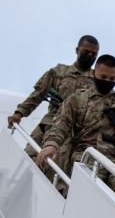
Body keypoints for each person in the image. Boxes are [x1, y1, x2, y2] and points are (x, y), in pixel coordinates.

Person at [37, 54, 115, 217]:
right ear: (94, 73)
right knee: (83, 200)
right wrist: (51, 145)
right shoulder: (77, 99)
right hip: (85, 156)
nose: (107, 81)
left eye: (112, 78)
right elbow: (61, 125)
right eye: (103, 77)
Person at [8, 35, 99, 176]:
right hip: (48, 125)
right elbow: (37, 94)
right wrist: (19, 113)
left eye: (94, 54)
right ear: (77, 50)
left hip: (70, 133)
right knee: (28, 160)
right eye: (86, 52)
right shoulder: (58, 72)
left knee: (52, 170)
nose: (90, 56)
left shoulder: (97, 82)